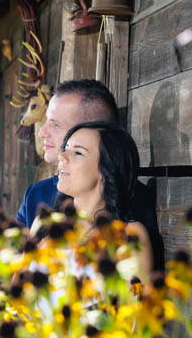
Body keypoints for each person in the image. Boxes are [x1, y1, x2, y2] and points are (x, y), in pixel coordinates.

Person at [15, 79, 165, 270]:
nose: (42, 132)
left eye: (55, 124)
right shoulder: (37, 197)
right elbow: (6, 270)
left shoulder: (134, 213)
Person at [38, 121, 153, 276]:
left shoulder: (129, 234)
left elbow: (138, 290)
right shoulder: (45, 223)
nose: (62, 156)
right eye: (66, 148)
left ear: (106, 169)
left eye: (78, 153)